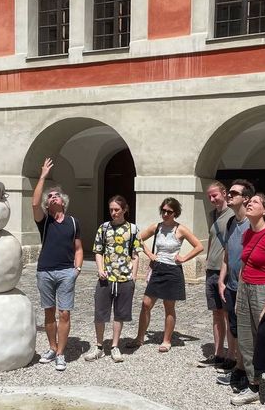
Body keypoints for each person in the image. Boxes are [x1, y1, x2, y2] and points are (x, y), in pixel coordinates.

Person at [128, 197, 203, 352]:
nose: (165, 214)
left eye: (169, 211)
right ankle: (140, 338)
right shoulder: (157, 227)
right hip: (158, 269)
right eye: (163, 210)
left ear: (175, 213)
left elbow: (199, 246)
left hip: (173, 270)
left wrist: (183, 258)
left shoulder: (180, 229)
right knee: (146, 304)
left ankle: (167, 340)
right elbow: (137, 239)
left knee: (169, 306)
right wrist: (149, 254)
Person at [32, 158, 83, 371]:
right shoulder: (45, 221)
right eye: (49, 197)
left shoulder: (73, 222)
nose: (52, 198)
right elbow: (34, 203)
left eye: (56, 195)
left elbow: (78, 248)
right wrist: (43, 176)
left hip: (65, 272)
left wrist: (77, 269)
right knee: (48, 312)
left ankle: (61, 353)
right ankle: (52, 347)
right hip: (45, 271)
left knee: (64, 313)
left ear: (63, 201)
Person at [230, 193, 265, 410]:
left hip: (263, 290)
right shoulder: (247, 233)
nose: (249, 204)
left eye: (255, 202)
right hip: (245, 288)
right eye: (249, 202)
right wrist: (239, 295)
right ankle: (254, 386)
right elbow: (243, 266)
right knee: (246, 340)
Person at [84, 195, 142, 363]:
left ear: (124, 210)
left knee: (120, 313)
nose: (114, 213)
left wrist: (134, 275)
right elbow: (98, 251)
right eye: (111, 210)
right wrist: (100, 269)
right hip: (106, 278)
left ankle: (115, 346)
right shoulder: (104, 228)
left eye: (117, 210)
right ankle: (99, 346)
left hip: (124, 278)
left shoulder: (132, 229)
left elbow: (135, 254)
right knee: (100, 313)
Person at [216, 180, 255, 391]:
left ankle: (245, 373)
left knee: (247, 331)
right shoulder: (232, 222)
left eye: (233, 193)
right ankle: (240, 369)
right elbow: (227, 253)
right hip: (230, 286)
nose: (228, 195)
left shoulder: (253, 223)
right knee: (236, 329)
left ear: (245, 198)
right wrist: (221, 280)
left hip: (247, 287)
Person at [197, 181, 235, 368]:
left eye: (215, 195)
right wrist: (207, 262)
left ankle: (232, 355)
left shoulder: (233, 214)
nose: (212, 199)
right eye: (209, 196)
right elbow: (212, 239)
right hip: (211, 270)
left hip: (225, 272)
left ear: (224, 193)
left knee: (228, 314)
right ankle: (218, 353)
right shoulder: (213, 215)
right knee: (216, 314)